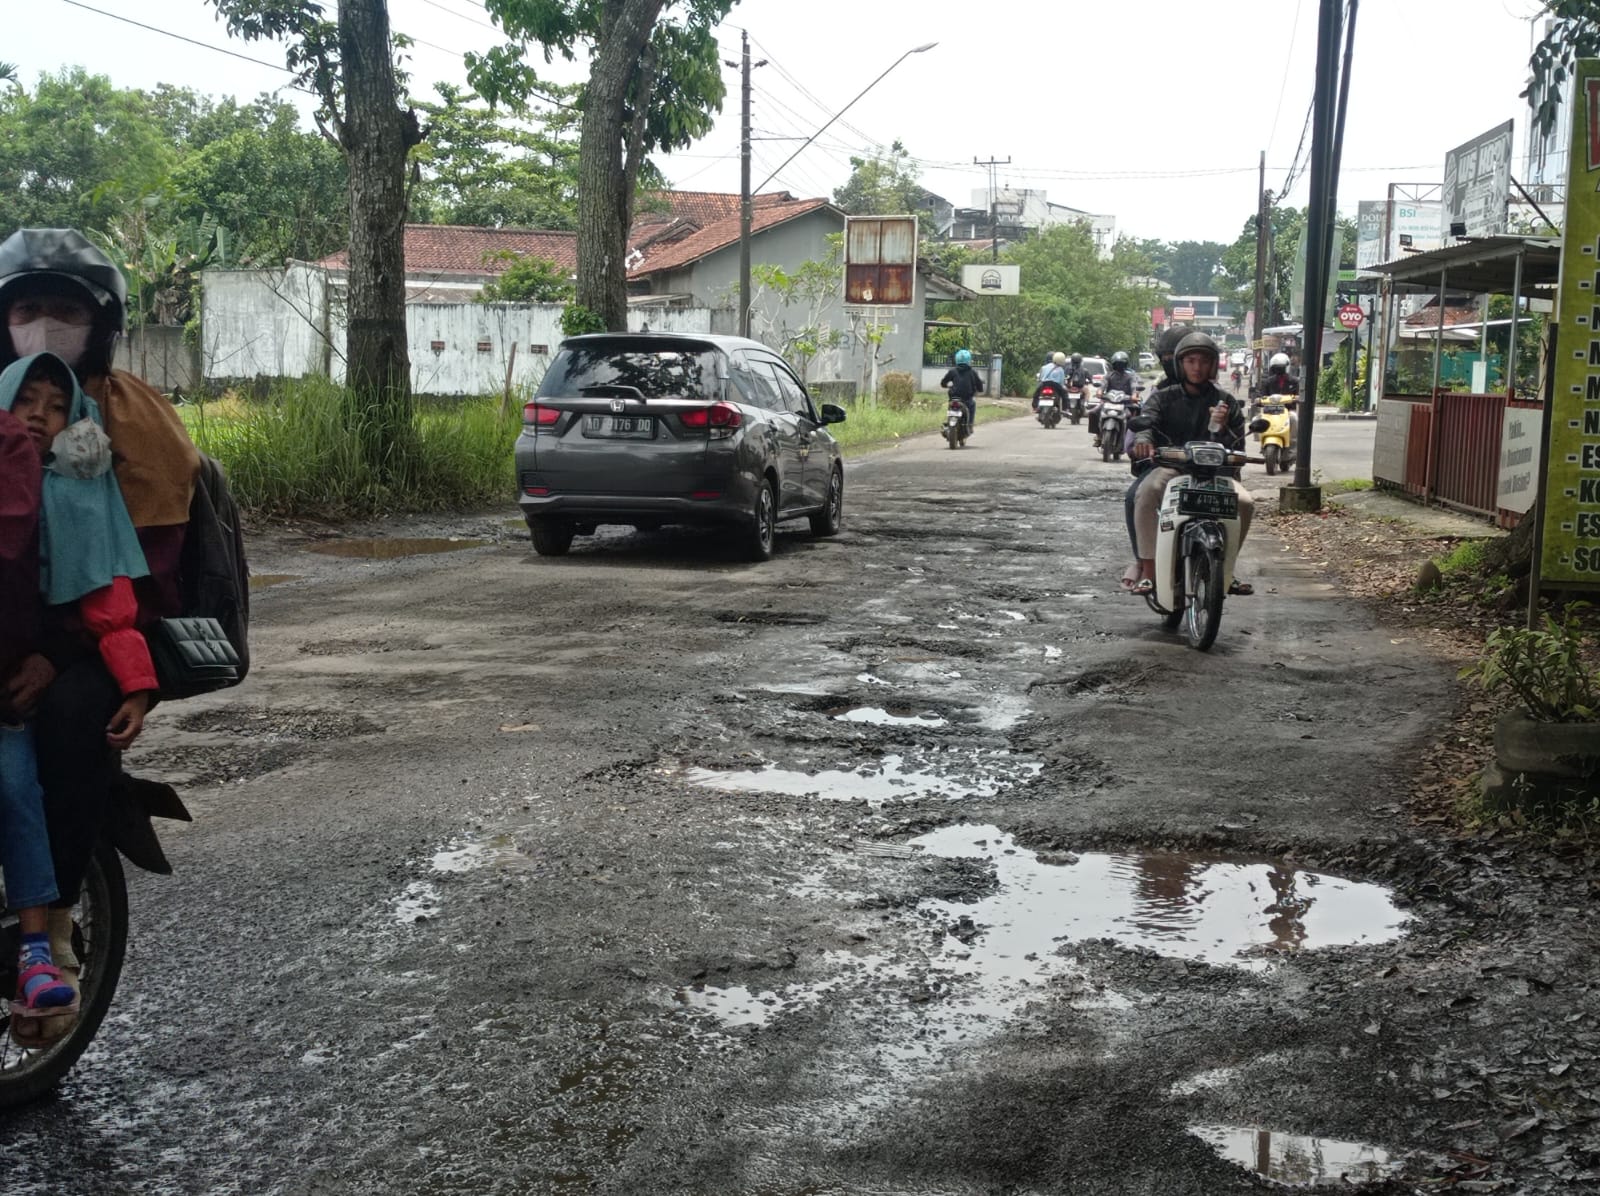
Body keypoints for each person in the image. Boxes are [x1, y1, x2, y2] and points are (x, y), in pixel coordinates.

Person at [0, 229, 199, 1023]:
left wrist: (56, 655)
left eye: (65, 312)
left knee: (73, 719)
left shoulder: (134, 426)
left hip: (99, 629)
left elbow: (142, 573)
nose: (45, 326)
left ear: (103, 324)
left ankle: (54, 920)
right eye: (28, 309)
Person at [0, 352, 160, 1039]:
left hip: (48, 669)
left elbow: (104, 598)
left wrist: (137, 683)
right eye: (25, 399)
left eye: (54, 404)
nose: (38, 414)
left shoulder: (78, 490)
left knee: (26, 773)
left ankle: (46, 933)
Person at [1127, 331, 1255, 596]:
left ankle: (1227, 571)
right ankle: (1149, 573)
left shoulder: (1225, 401)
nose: (1197, 367)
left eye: (1204, 361)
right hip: (1172, 469)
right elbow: (1147, 423)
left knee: (1245, 503)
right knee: (1146, 492)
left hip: (1215, 473)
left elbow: (1239, 446)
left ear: (1213, 364)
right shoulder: (1163, 397)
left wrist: (1221, 428)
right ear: (1180, 364)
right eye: (1191, 361)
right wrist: (1143, 440)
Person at [940, 348, 983, 435]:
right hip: (967, 400)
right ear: (968, 360)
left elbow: (943, 382)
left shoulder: (952, 371)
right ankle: (970, 425)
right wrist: (980, 389)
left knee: (950, 407)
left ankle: (948, 422)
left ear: (957, 359)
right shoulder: (972, 372)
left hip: (954, 399)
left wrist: (947, 386)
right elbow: (979, 386)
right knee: (973, 405)